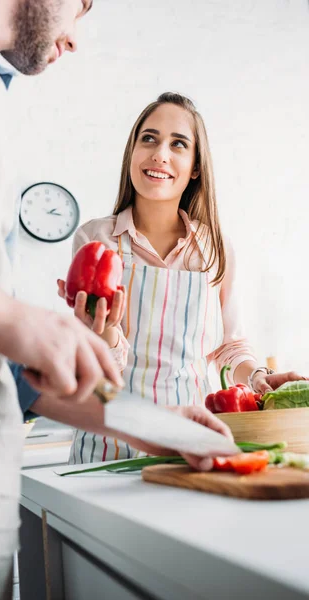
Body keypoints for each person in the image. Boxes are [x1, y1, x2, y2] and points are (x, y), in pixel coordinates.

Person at [0, 4, 233, 599]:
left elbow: (10, 367)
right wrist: (6, 315)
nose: (77, 38)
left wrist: (154, 426)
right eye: (82, 5)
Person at [58, 92, 307, 465]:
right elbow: (87, 360)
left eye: (178, 144)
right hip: (106, 444)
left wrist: (257, 376)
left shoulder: (213, 248)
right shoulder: (97, 241)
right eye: (149, 138)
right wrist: (103, 333)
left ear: (194, 167)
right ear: (132, 153)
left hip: (188, 441)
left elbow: (228, 346)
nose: (160, 154)